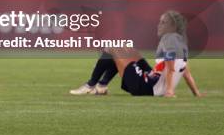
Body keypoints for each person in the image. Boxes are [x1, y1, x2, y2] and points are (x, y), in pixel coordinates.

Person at [70, 11, 202, 97]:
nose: (159, 25)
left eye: (163, 22)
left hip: (146, 87)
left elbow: (172, 68)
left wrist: (169, 91)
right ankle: (101, 86)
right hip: (153, 80)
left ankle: (90, 86)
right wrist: (196, 93)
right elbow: (185, 72)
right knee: (128, 49)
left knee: (113, 48)